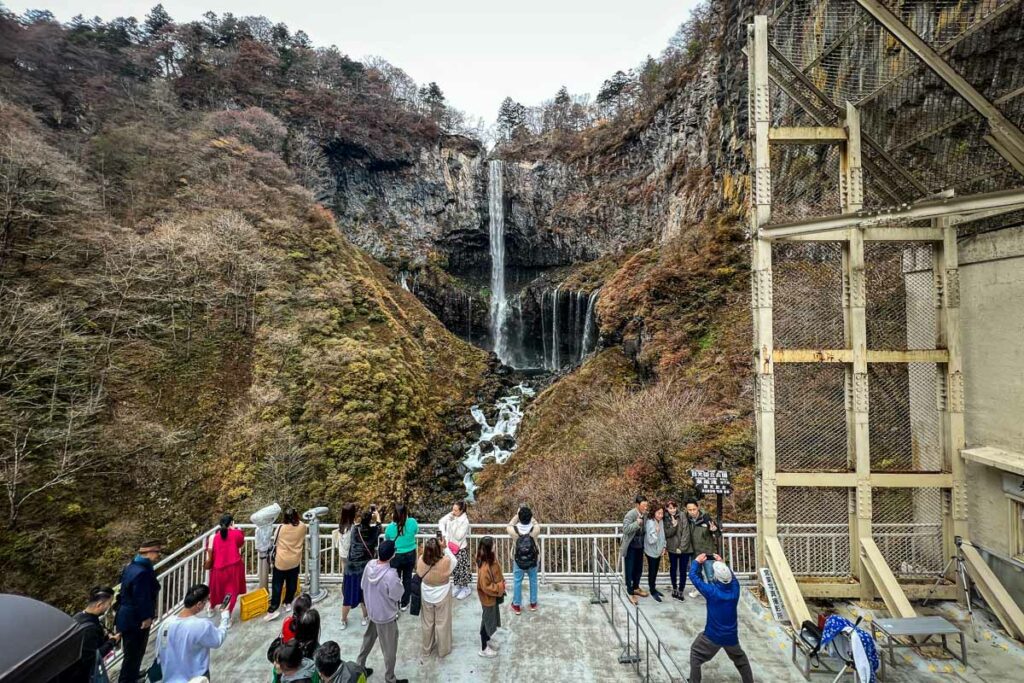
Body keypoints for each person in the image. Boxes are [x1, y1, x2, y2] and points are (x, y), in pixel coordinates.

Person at [687, 553, 753, 683]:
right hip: (731, 636)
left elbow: (694, 577)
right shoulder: (735, 589)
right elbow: (732, 578)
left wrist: (696, 562)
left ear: (716, 577)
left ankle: (694, 681)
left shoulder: (712, 592)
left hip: (712, 635)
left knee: (695, 653)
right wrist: (722, 563)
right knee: (741, 661)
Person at [356, 539, 406, 683]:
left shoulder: (369, 565)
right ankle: (390, 678)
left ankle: (360, 666)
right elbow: (397, 594)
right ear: (392, 555)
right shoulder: (390, 575)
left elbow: (363, 585)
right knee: (389, 649)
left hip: (372, 611)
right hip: (385, 616)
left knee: (368, 640)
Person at [157, 584, 229, 683]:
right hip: (196, 678)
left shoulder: (165, 624)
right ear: (199, 604)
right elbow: (218, 640)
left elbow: (159, 653)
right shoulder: (201, 625)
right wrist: (225, 617)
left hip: (169, 678)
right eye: (206, 600)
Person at [115, 539, 162, 683]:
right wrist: (146, 617)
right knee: (133, 653)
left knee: (134, 652)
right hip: (134, 619)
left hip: (127, 616)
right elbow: (142, 597)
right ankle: (127, 680)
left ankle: (133, 675)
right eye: (157, 552)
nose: (158, 555)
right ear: (149, 552)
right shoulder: (142, 572)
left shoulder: (131, 566)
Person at [59, 586, 119, 683]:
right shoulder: (89, 629)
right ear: (99, 605)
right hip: (80, 676)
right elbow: (92, 658)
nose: (110, 606)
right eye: (109, 603)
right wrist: (112, 642)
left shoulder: (78, 616)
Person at [417, 536, 458, 659]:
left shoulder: (421, 560)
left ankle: (426, 649)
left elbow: (419, 573)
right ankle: (443, 649)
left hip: (426, 593)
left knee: (427, 623)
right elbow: (454, 561)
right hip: (442, 593)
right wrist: (445, 547)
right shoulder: (445, 561)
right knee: (442, 622)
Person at [266, 507, 309, 621]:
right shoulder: (302, 527)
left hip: (281, 561)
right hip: (295, 560)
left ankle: (273, 609)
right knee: (292, 583)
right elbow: (303, 531)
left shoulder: (281, 528)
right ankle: (288, 602)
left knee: (277, 585)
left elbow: (275, 539)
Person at [342, 508, 381, 629]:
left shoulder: (354, 529)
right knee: (364, 594)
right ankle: (365, 617)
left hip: (351, 567)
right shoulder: (373, 531)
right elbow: (379, 527)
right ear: (370, 520)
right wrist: (378, 517)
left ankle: (343, 620)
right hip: (364, 568)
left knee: (348, 595)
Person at [207, 513, 246, 624]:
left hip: (218, 568)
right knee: (230, 592)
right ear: (231, 523)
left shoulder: (213, 537)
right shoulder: (236, 534)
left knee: (216, 590)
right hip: (233, 567)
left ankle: (211, 607)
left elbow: (210, 551)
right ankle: (226, 616)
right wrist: (235, 529)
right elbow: (240, 543)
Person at [384, 503, 419, 611]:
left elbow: (387, 538)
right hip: (410, 554)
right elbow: (415, 532)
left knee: (395, 580)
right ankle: (405, 603)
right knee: (407, 579)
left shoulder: (390, 527)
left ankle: (396, 602)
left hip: (396, 556)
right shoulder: (412, 522)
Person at [506, 505, 540, 614]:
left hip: (518, 559)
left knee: (517, 581)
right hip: (533, 558)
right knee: (533, 580)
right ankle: (533, 603)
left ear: (519, 517)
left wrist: (517, 514)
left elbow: (510, 524)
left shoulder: (513, 530)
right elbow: (535, 522)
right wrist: (530, 515)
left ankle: (516, 605)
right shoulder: (535, 529)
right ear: (530, 517)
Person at [475, 535, 505, 659]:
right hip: (488, 598)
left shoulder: (487, 559)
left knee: (489, 619)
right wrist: (499, 587)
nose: (495, 545)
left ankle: (487, 640)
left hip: (492, 598)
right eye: (493, 544)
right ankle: (483, 648)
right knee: (486, 622)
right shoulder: (485, 568)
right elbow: (486, 587)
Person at [685, 498, 720, 596]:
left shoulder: (706, 518)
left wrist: (714, 529)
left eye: (694, 509)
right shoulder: (686, 519)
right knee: (697, 574)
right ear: (687, 510)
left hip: (707, 551)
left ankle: (714, 594)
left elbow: (717, 533)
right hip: (694, 552)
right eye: (690, 510)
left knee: (710, 575)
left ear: (698, 508)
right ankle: (699, 590)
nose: (692, 512)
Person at [438, 500, 471, 600]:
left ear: (461, 511)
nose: (453, 511)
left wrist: (452, 523)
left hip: (460, 548)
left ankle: (466, 588)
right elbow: (441, 522)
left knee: (462, 569)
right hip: (450, 546)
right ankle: (457, 586)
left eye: (456, 510)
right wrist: (443, 535)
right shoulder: (453, 515)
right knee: (455, 568)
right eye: (453, 509)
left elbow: (458, 536)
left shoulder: (465, 521)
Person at [619, 495, 649, 604]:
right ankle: (630, 591)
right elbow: (626, 529)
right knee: (629, 569)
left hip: (640, 545)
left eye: (646, 505)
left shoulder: (645, 515)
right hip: (631, 545)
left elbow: (645, 529)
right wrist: (637, 523)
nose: (646, 508)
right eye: (643, 505)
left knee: (638, 568)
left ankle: (636, 587)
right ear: (637, 505)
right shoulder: (630, 514)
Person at [664, 500, 692, 601]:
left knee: (683, 569)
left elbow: (686, 532)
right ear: (667, 508)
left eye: (674, 508)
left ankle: (681, 589)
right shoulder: (665, 517)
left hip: (684, 549)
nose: (672, 510)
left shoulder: (682, 515)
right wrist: (674, 526)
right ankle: (674, 588)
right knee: (673, 568)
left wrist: (682, 547)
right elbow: (667, 533)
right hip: (672, 547)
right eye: (670, 508)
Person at [644, 503, 667, 602]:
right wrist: (656, 532)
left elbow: (663, 535)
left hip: (659, 550)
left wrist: (664, 547)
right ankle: (652, 590)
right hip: (651, 551)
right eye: (658, 513)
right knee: (652, 571)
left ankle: (654, 588)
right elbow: (651, 540)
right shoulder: (650, 522)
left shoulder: (660, 521)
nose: (660, 515)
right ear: (654, 513)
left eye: (662, 513)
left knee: (655, 570)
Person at [331, 504, 357, 577]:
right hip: (351, 554)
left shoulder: (341, 525)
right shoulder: (353, 527)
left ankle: (344, 585)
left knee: (344, 572)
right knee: (351, 574)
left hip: (342, 553)